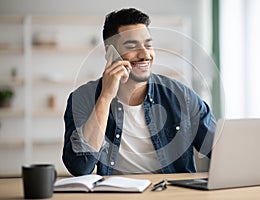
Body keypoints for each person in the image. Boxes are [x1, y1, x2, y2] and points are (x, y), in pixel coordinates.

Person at [62, 7, 216, 176]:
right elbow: (80, 167)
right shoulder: (82, 97)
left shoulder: (182, 96)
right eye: (132, 46)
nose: (145, 54)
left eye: (148, 45)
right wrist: (105, 97)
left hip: (170, 193)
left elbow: (218, 150)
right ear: (110, 53)